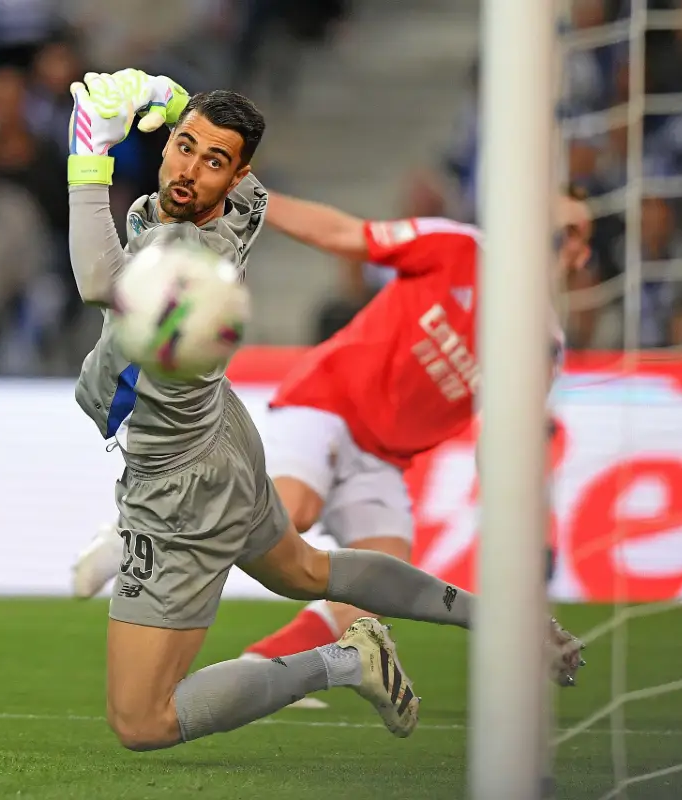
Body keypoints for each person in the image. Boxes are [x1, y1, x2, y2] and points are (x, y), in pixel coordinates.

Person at [67, 69, 583, 753]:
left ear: (237, 176)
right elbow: (233, 172)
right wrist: (167, 97)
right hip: (222, 434)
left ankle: (338, 662)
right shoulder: (237, 206)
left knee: (141, 720)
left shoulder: (185, 253)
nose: (190, 170)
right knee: (306, 569)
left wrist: (89, 151)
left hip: (180, 481)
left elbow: (97, 279)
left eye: (213, 162)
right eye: (185, 147)